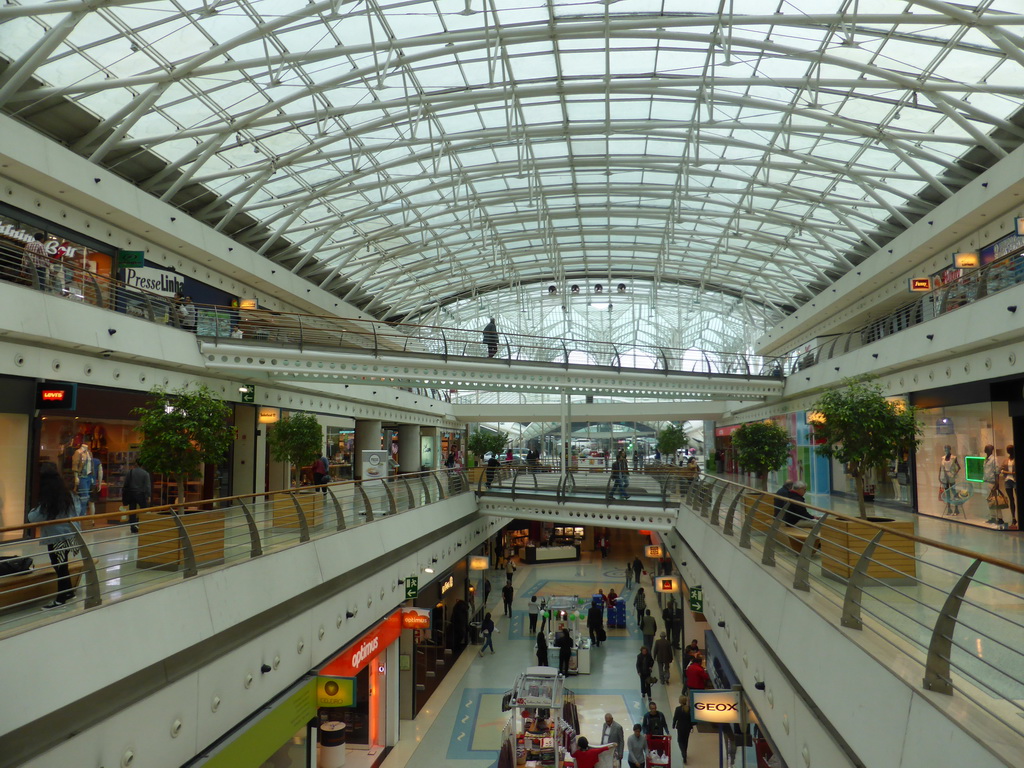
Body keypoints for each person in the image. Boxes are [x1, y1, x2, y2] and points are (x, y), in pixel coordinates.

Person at [27, 464, 82, 609]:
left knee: (59, 565)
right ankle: (69, 592)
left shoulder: (49, 500)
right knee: (62, 563)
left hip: (56, 537)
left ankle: (60, 599)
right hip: (70, 534)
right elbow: (78, 510)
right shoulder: (68, 494)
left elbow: (33, 517)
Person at [121, 457, 152, 534]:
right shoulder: (145, 473)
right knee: (143, 510)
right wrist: (148, 495)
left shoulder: (130, 472)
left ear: (136, 463)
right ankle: (142, 526)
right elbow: (147, 486)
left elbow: (126, 484)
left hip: (131, 494)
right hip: (141, 494)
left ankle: (133, 527)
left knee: (132, 511)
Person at [672, 694, 694, 764]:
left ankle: (683, 753)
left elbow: (675, 718)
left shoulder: (678, 709)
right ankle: (685, 752)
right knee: (685, 740)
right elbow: (691, 719)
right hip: (687, 727)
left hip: (680, 727)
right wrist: (691, 726)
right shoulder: (689, 709)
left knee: (680, 740)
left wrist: (673, 725)